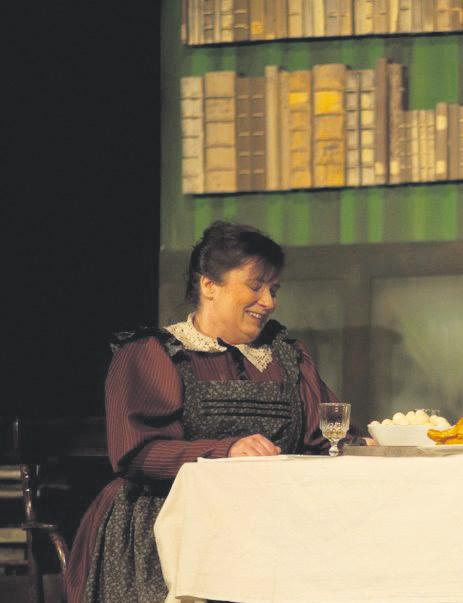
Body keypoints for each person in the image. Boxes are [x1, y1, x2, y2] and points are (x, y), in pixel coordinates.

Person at [65, 221, 351, 603]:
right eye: (255, 286)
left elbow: (325, 436)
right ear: (209, 285)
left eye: (274, 289)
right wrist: (226, 450)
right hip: (168, 525)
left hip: (266, 525)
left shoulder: (286, 356)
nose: (269, 301)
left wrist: (375, 442)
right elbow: (136, 453)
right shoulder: (154, 354)